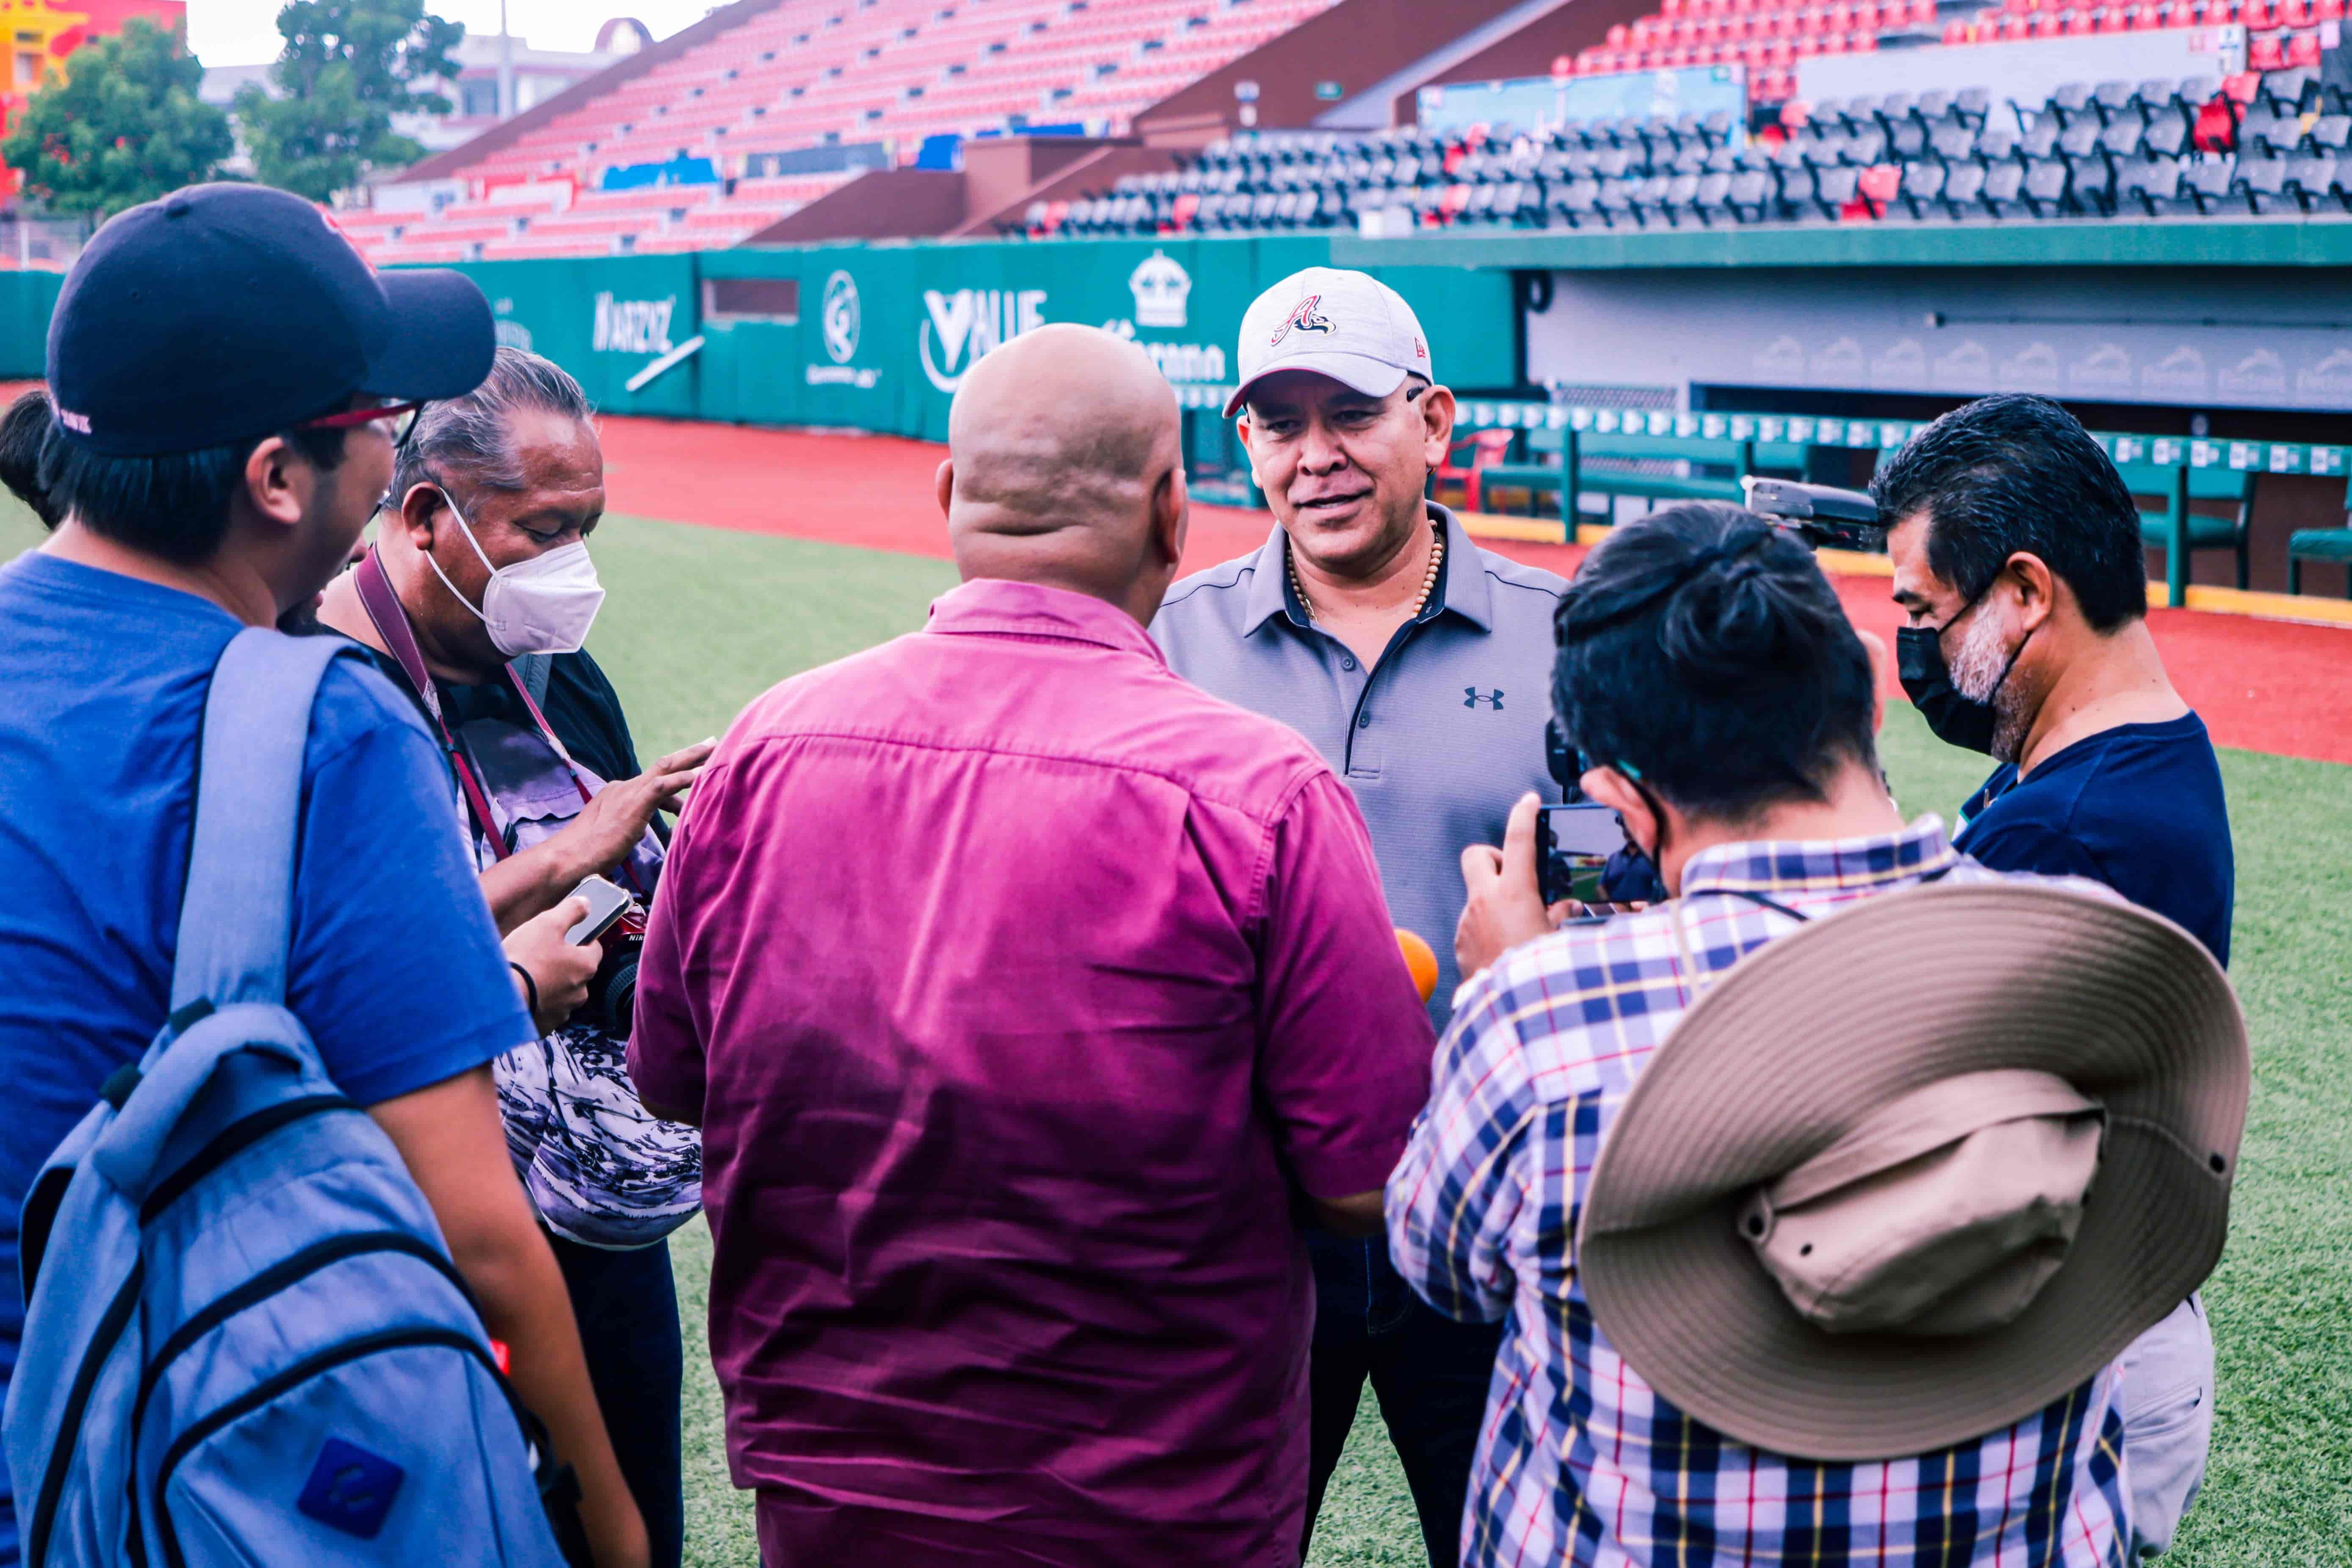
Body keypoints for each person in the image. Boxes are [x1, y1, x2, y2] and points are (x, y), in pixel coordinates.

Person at [629, 323, 1435, 1567]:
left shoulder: (762, 749)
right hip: (1156, 1503)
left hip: (831, 1487)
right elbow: (1361, 1180)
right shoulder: (1259, 794)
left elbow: (672, 1081)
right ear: (1176, 515)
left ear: (948, 496)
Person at [0, 184, 645, 1567]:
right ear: (277, 479)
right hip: (158, 1466)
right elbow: (474, 1229)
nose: (392, 460)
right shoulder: (325, 718)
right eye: (374, 425)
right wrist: (608, 1514)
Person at [1396, 501, 2218, 1566]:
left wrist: (1522, 980)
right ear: (1865, 701)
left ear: (1619, 802)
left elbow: (1445, 1266)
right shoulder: (2090, 967)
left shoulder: (1541, 1019)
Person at [1152, 266, 1562, 1566]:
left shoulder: (1568, 641)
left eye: (1351, 413)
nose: (1315, 457)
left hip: (1490, 1212)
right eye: (1281, 424)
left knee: (1508, 1546)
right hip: (1251, 1220)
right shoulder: (1164, 645)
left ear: (1433, 422)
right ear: (1243, 445)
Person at [314, 346, 706, 1568]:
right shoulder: (319, 685)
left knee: (634, 1520)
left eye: (589, 525)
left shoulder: (556, 672)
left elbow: (625, 896)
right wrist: (547, 872)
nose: (575, 564)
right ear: (426, 515)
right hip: (415, 1233)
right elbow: (334, 980)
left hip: (593, 1243)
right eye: (543, 528)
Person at [1874, 394, 2231, 1557]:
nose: (1915, 648)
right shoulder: (2132, 748)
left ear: (2025, 592)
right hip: (2124, 1331)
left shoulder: (2063, 829)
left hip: (2077, 1364)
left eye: (1923, 612)